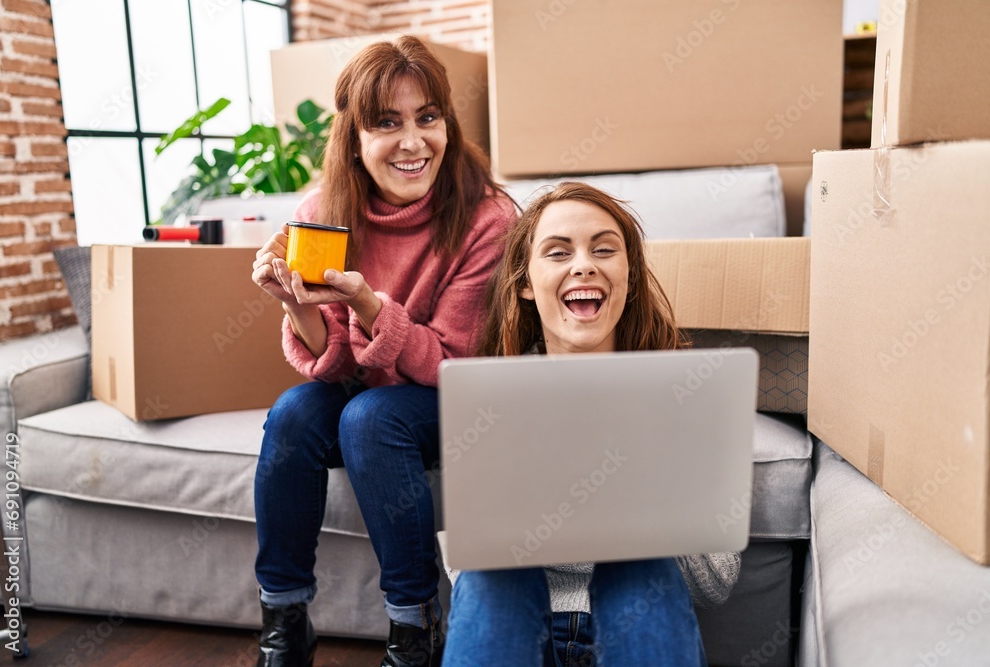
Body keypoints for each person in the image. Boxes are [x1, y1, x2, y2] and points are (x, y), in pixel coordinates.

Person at [250, 36, 515, 667]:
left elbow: (455, 364)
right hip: (371, 395)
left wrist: (370, 304)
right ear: (355, 136)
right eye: (388, 123)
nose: (414, 142)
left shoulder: (488, 218)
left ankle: (415, 629)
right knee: (293, 412)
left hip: (459, 395)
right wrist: (296, 301)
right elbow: (336, 362)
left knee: (370, 418)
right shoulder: (323, 212)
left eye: (429, 117)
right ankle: (283, 624)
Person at [441, 182, 740, 667]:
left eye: (604, 249)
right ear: (525, 283)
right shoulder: (490, 398)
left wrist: (642, 487)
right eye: (558, 252)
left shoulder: (686, 394)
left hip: (633, 631)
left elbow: (716, 582)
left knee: (637, 567)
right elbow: (464, 565)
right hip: (525, 629)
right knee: (490, 573)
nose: (584, 264)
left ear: (630, 276)